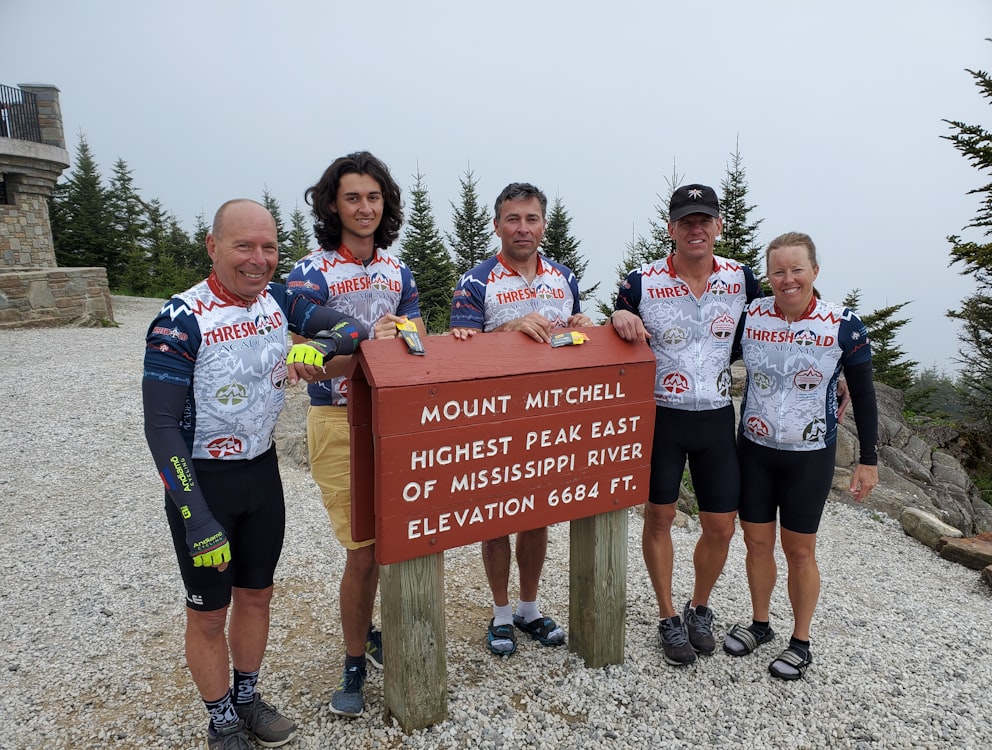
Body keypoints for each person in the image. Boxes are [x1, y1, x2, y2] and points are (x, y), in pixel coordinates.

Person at [143, 199, 362, 749]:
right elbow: (162, 425)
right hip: (203, 482)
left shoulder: (279, 299)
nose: (258, 259)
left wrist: (318, 346)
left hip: (261, 475)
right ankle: (220, 722)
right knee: (209, 614)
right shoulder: (179, 318)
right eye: (244, 246)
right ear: (213, 247)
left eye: (268, 247)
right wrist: (195, 518)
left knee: (257, 596)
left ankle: (246, 698)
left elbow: (353, 331)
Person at [285, 151, 425, 718]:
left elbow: (416, 350)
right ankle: (352, 659)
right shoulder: (309, 271)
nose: (364, 207)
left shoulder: (400, 273)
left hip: (393, 423)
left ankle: (380, 633)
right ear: (333, 205)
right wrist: (368, 340)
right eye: (352, 198)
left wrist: (403, 340)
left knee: (401, 542)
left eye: (373, 197)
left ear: (385, 202)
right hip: (337, 421)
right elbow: (301, 338)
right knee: (364, 551)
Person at [610, 183, 761, 666]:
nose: (696, 229)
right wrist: (617, 315)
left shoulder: (743, 279)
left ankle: (701, 607)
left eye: (704, 220)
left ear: (718, 226)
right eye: (686, 222)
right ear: (671, 229)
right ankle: (668, 614)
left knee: (721, 526)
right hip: (663, 416)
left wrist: (835, 373)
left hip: (716, 415)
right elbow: (615, 319)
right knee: (659, 517)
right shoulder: (642, 280)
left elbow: (786, 320)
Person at [723, 231, 879, 681]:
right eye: (778, 271)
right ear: (767, 275)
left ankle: (801, 640)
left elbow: (865, 395)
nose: (787, 279)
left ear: (814, 271)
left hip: (809, 454)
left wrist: (868, 459)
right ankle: (759, 624)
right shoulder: (750, 314)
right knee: (755, 542)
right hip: (754, 448)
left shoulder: (843, 323)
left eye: (796, 269)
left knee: (799, 551)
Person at [450, 182, 593, 656]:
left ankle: (529, 609)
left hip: (551, 416)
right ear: (497, 225)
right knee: (496, 520)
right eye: (513, 219)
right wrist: (507, 331)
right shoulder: (475, 281)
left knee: (537, 517)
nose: (523, 228)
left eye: (531, 219)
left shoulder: (563, 277)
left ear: (543, 225)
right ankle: (501, 614)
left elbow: (574, 343)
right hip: (494, 420)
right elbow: (459, 356)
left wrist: (580, 328)